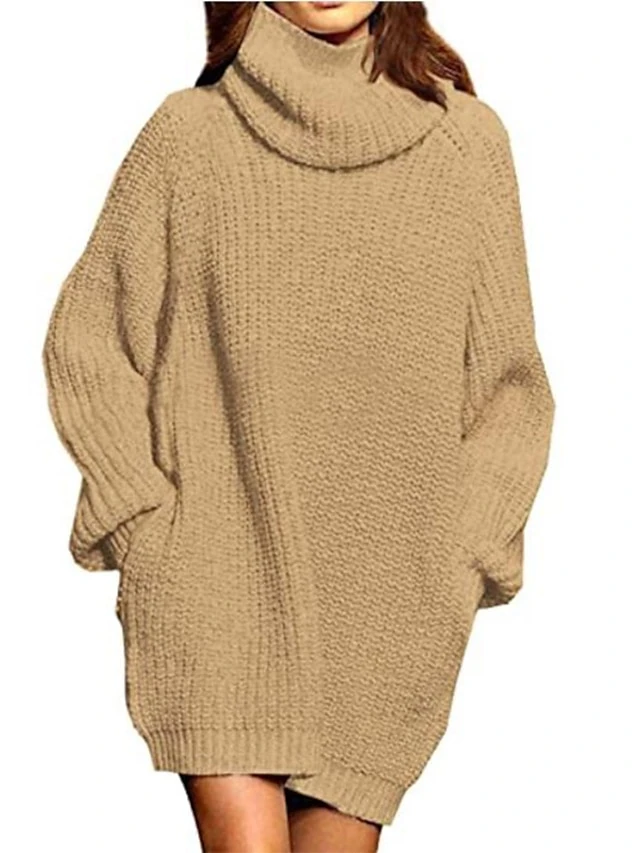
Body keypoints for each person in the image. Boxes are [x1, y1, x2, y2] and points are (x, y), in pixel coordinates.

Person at [41, 2, 556, 851]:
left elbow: (510, 390)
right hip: (215, 583)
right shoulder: (190, 136)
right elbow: (90, 340)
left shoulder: (466, 145)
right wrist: (143, 519)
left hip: (390, 602)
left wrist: (458, 555)